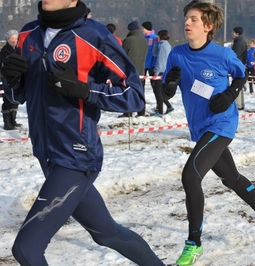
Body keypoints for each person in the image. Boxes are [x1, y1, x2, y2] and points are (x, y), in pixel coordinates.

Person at [1, 1, 168, 265]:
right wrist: (10, 81)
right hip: (46, 155)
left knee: (26, 249)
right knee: (107, 234)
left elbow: (134, 96)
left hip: (77, 157)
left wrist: (84, 89)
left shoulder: (94, 36)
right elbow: (19, 95)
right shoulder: (27, 34)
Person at [162, 1, 255, 265]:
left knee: (191, 176)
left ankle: (194, 243)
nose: (187, 23)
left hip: (221, 124)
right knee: (231, 178)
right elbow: (166, 92)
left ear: (208, 26)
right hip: (200, 126)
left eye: (193, 19)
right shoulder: (177, 54)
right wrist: (168, 85)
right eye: (186, 19)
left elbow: (241, 76)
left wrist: (228, 95)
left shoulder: (222, 55)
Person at [119, 20, 148, 118]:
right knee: (141, 92)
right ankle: (141, 112)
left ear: (129, 30)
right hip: (141, 70)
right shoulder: (144, 40)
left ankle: (128, 112)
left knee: (128, 92)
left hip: (130, 71)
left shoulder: (128, 40)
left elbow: (122, 55)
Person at [0, 29, 22, 130]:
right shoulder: (4, 51)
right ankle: (7, 122)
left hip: (17, 77)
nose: (14, 41)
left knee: (15, 100)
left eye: (15, 39)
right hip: (7, 79)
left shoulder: (18, 49)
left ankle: (13, 121)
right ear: (7, 40)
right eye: (12, 39)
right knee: (7, 99)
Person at [151, 30, 174, 117]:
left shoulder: (164, 46)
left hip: (161, 71)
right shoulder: (163, 45)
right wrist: (156, 44)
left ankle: (160, 111)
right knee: (159, 91)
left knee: (158, 91)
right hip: (163, 70)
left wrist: (156, 72)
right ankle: (169, 106)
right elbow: (155, 53)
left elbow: (160, 60)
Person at [140, 20, 158, 117]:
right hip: (143, 65)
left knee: (155, 87)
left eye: (142, 28)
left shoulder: (155, 38)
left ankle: (159, 106)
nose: (141, 30)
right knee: (141, 86)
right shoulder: (143, 39)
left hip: (152, 65)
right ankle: (141, 108)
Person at [231, 26, 246, 110]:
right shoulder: (241, 41)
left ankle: (239, 104)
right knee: (239, 85)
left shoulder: (238, 43)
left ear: (237, 33)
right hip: (241, 65)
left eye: (233, 32)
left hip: (238, 66)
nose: (231, 33)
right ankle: (241, 103)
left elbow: (235, 55)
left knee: (237, 85)